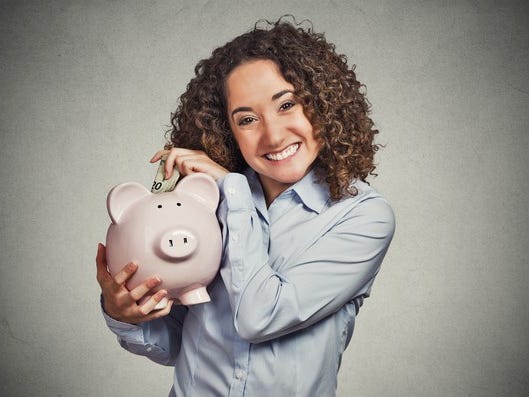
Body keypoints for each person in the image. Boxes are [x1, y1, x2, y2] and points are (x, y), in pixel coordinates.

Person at [96, 17, 395, 397]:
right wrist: (124, 313)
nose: (272, 135)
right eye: (247, 119)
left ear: (323, 105)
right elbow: (178, 344)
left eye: (287, 105)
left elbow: (261, 316)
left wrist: (232, 189)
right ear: (226, 131)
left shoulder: (362, 216)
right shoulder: (203, 205)